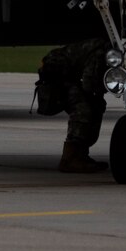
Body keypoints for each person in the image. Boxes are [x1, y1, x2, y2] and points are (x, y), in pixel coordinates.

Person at [36, 37, 111, 172]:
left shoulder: (105, 46)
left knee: (93, 106)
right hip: (61, 75)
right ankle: (69, 159)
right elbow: (89, 80)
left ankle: (80, 156)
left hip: (68, 74)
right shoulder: (103, 50)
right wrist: (97, 96)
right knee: (83, 110)